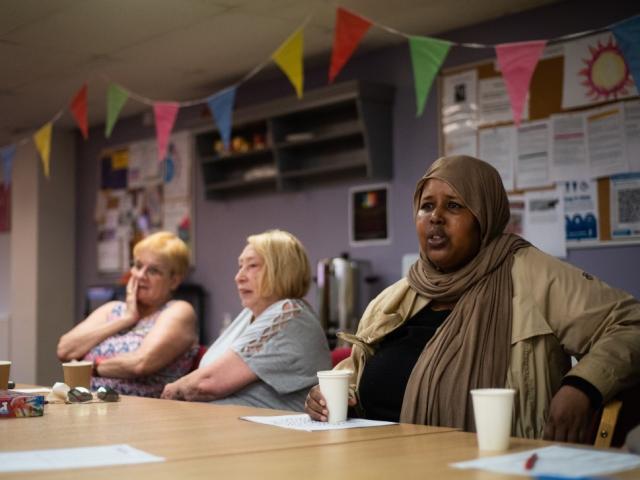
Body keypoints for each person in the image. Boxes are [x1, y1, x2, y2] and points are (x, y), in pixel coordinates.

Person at [305, 155, 640, 443]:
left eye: (454, 205)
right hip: (373, 459)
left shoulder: (530, 274)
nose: (435, 217)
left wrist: (583, 386)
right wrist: (329, 394)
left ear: (485, 217)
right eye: (426, 206)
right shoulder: (395, 298)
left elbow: (630, 324)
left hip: (492, 465)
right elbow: (358, 367)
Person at [161, 229, 331, 411]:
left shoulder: (289, 314)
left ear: (282, 270)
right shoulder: (251, 313)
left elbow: (207, 383)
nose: (239, 277)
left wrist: (169, 392)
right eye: (240, 266)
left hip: (272, 435)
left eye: (252, 266)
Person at [57, 231, 198, 398]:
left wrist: (90, 368)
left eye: (153, 271)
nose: (140, 276)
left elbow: (140, 363)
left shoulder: (178, 311)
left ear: (174, 281)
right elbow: (65, 349)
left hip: (141, 414)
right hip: (87, 404)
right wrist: (126, 319)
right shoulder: (114, 309)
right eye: (138, 266)